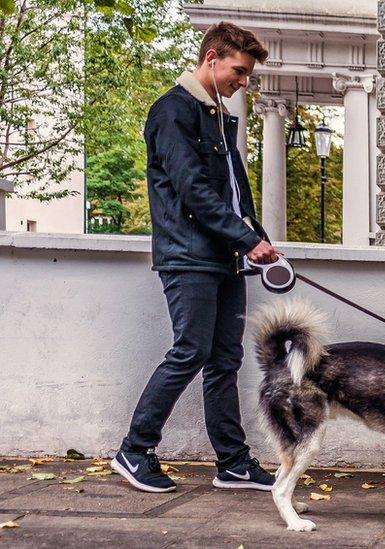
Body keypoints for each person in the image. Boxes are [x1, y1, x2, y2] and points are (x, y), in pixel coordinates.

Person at [110, 22, 281, 493]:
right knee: (190, 351)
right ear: (212, 58)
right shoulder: (172, 112)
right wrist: (244, 239)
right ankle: (134, 448)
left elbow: (233, 192)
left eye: (247, 74)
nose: (243, 81)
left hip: (225, 256)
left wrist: (256, 238)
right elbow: (193, 191)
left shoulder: (217, 117)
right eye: (239, 71)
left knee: (224, 359)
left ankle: (232, 462)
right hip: (188, 257)